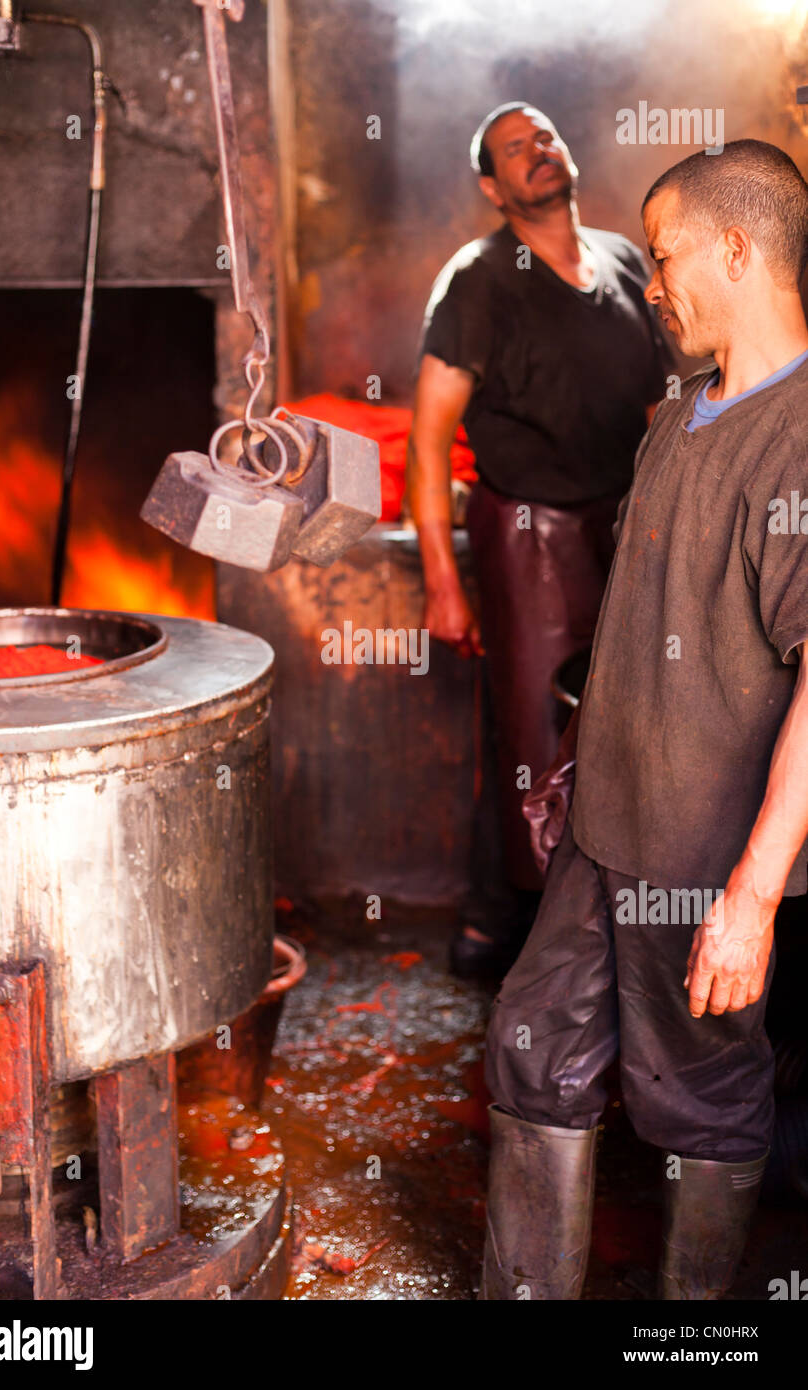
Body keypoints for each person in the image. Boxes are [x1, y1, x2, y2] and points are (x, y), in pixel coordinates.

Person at [480, 138, 808, 1300]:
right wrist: (574, 767)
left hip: (699, 853)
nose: (650, 284)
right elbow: (638, 623)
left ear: (735, 247)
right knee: (530, 1045)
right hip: (604, 825)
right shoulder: (678, 414)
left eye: (664, 258)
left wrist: (751, 899)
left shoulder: (798, 436)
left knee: (698, 1097)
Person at [406, 102, 672, 978]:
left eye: (547, 136)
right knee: (531, 735)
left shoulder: (627, 262)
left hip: (623, 523)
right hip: (528, 533)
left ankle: (609, 927)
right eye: (514, 150)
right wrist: (445, 578)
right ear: (492, 186)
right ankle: (509, 930)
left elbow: (659, 408)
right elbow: (430, 433)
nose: (538, 153)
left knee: (625, 723)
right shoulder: (478, 280)